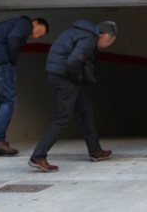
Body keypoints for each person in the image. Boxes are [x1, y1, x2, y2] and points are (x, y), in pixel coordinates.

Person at [29, 20, 117, 172]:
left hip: (57, 73)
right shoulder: (89, 39)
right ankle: (38, 156)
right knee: (62, 118)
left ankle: (95, 151)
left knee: (85, 110)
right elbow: (74, 62)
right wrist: (77, 78)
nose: (109, 43)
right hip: (64, 77)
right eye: (110, 40)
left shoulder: (81, 32)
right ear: (104, 36)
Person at [0, 16, 49, 156]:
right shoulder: (24, 23)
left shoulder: (7, 23)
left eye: (40, 36)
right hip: (0, 61)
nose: (36, 36)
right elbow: (13, 38)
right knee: (8, 101)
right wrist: (12, 59)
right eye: (39, 31)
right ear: (34, 22)